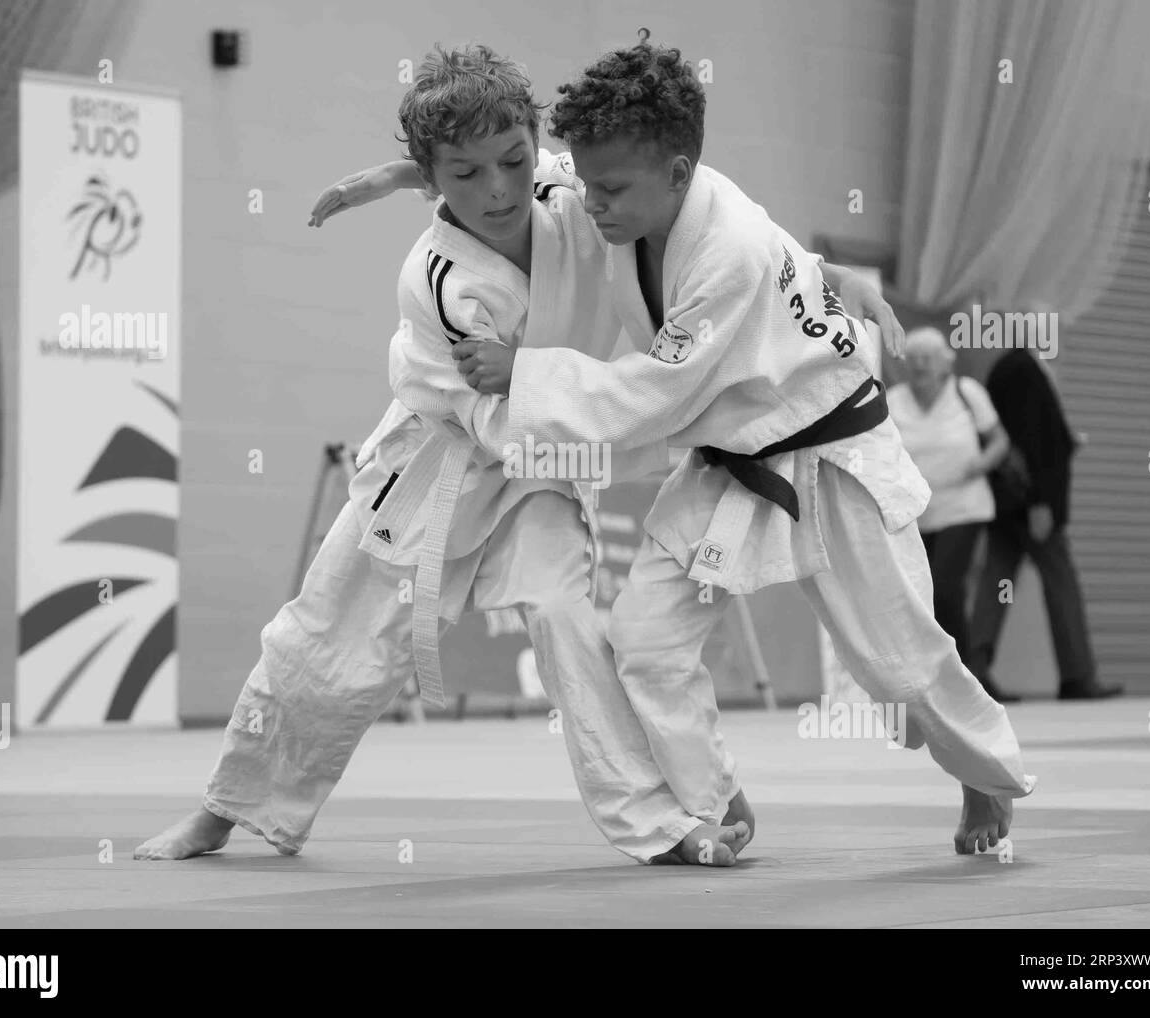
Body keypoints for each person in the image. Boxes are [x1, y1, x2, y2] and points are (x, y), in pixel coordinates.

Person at [135, 43, 752, 868]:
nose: (498, 190)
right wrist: (624, 425)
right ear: (436, 180)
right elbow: (499, 414)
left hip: (538, 467)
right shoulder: (440, 284)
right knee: (322, 640)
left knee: (570, 618)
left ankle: (658, 824)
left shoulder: (568, 191)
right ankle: (226, 807)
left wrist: (821, 276)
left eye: (512, 160)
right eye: (464, 174)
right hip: (436, 462)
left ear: (537, 148)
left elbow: (630, 181)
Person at [439, 32, 1037, 855]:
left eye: (610, 188)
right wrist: (410, 173)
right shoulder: (638, 194)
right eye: (588, 182)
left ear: (678, 175)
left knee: (897, 667)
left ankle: (985, 774)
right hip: (733, 452)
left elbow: (653, 393)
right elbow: (522, 178)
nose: (592, 203)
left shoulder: (727, 253)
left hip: (833, 454)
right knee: (644, 637)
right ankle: (717, 800)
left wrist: (524, 373)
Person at [967, 348, 1122, 700]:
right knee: (1060, 579)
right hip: (1029, 504)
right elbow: (1029, 437)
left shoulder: (1016, 367)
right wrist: (1040, 501)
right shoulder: (1022, 367)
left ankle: (975, 670)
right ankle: (1077, 675)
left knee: (997, 579)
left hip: (1010, 502)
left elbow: (1033, 434)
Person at [888, 327, 1018, 703]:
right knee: (920, 594)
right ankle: (935, 679)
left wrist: (982, 463)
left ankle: (965, 677)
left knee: (946, 584)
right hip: (915, 512)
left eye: (928, 357)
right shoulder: (893, 400)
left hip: (965, 506)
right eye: (913, 358)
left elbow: (1000, 440)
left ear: (945, 363)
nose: (920, 365)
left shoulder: (967, 392)